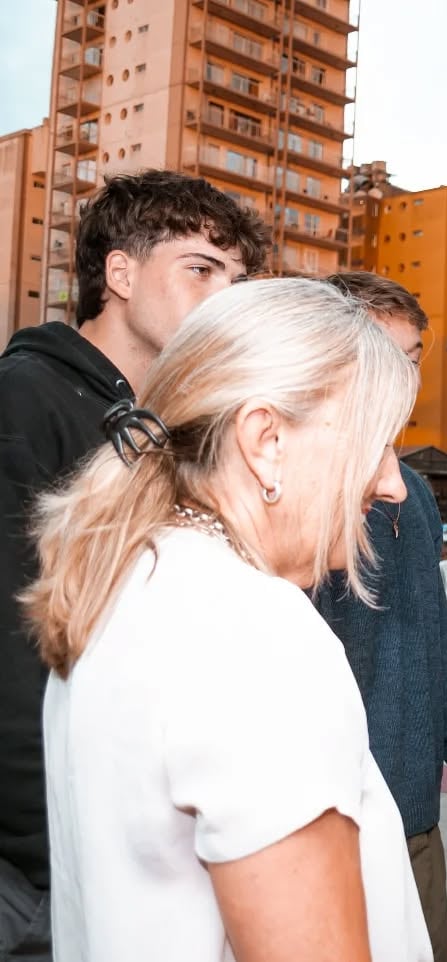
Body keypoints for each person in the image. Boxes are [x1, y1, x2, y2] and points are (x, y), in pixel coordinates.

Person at [22, 278, 431, 960]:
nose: (392, 484)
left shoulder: (132, 580)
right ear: (266, 441)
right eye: (377, 441)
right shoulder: (254, 632)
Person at [0, 169, 267, 960]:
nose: (225, 296)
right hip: (49, 854)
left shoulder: (171, 428)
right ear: (119, 274)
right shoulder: (24, 402)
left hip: (146, 830)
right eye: (201, 269)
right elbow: (13, 644)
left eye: (238, 278)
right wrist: (55, 840)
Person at [314, 272, 447, 962]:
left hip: (413, 819)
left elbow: (431, 646)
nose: (402, 376)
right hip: (323, 824)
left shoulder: (412, 491)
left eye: (412, 356)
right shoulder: (291, 491)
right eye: (379, 352)